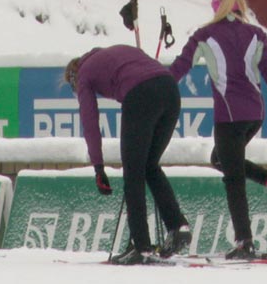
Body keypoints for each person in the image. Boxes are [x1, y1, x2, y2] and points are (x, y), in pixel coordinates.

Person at [168, 0, 267, 260]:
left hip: (229, 117)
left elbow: (179, 68)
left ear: (216, 7)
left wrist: (154, 85)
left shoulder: (204, 36)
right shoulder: (256, 34)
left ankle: (245, 241)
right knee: (222, 160)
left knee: (233, 178)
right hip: (254, 115)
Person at [65, 44, 192, 265]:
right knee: (150, 166)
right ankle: (177, 226)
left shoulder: (84, 74)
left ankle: (141, 246)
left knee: (133, 173)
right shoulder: (115, 52)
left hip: (140, 94)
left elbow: (90, 122)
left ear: (73, 77)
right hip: (170, 89)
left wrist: (98, 167)